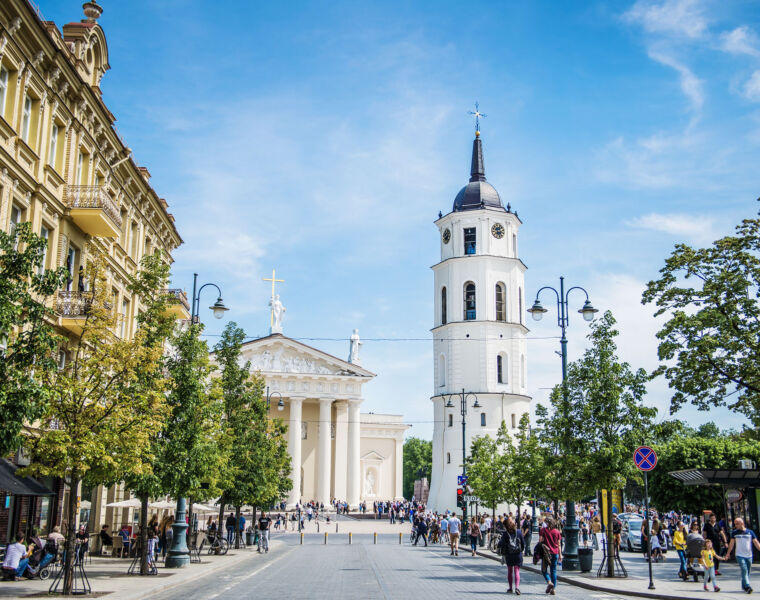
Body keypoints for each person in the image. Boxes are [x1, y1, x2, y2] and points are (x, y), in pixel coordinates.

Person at [718, 517, 760, 594]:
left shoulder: (750, 532)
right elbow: (731, 543)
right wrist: (728, 553)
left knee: (747, 571)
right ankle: (747, 586)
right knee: (744, 569)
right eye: (735, 524)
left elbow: (756, 542)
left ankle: (744, 586)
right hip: (739, 555)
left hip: (749, 555)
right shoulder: (735, 533)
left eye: (737, 524)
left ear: (742, 523)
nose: (736, 525)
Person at [499, 518, 525, 595]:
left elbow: (502, 544)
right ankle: (517, 587)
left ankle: (510, 588)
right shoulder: (519, 532)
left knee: (510, 572)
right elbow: (523, 543)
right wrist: (521, 550)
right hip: (517, 554)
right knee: (517, 571)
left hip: (509, 554)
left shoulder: (505, 534)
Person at [540, 518, 562, 595]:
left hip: (546, 553)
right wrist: (560, 555)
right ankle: (553, 589)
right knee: (553, 571)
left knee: (544, 570)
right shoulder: (557, 532)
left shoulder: (543, 530)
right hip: (555, 553)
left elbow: (540, 541)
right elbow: (559, 544)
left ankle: (549, 582)